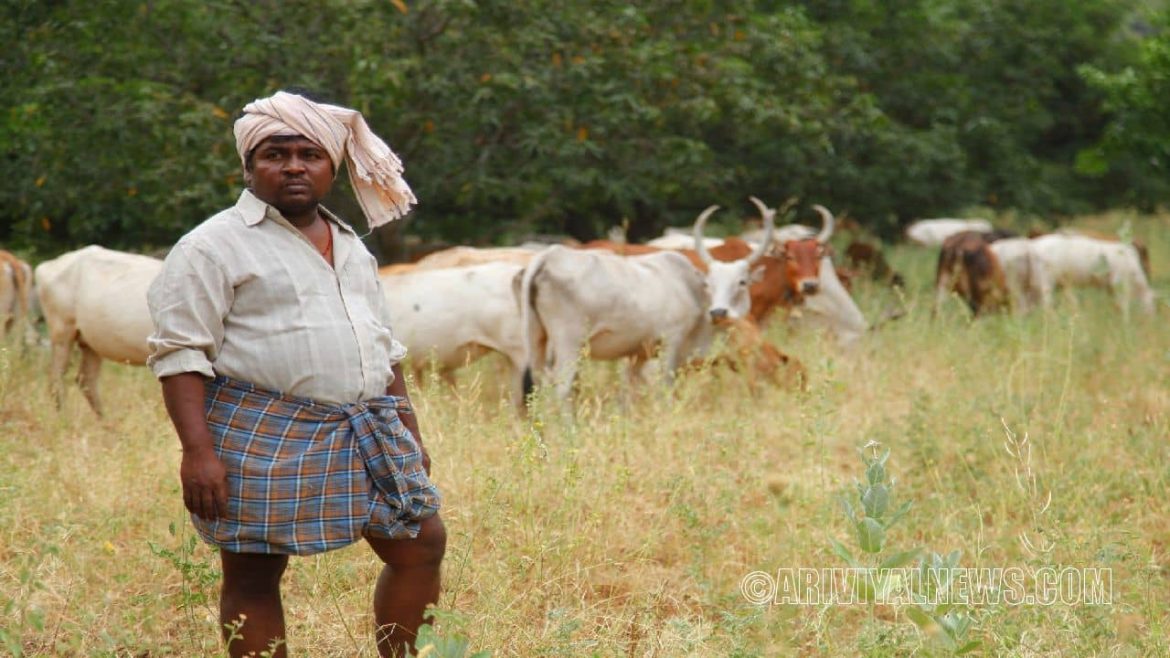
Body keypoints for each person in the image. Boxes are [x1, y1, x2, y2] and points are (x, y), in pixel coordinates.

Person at [147, 90, 445, 658]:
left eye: (309, 154)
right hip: (260, 429)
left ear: (332, 166)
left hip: (368, 426)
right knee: (255, 574)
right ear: (248, 167)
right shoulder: (211, 247)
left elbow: (386, 348)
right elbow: (179, 354)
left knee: (422, 542)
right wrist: (198, 452)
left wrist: (409, 429)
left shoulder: (353, 246)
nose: (292, 166)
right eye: (274, 154)